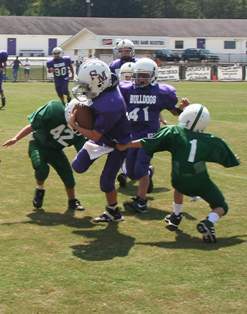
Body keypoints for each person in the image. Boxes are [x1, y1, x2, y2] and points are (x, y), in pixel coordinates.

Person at [116, 104, 240, 243]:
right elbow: (230, 160)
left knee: (179, 188)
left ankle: (176, 215)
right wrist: (234, 159)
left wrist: (127, 145)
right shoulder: (211, 141)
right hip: (201, 181)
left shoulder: (173, 132)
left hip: (178, 179)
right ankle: (209, 222)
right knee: (221, 206)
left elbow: (148, 142)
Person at [119, 57, 188, 213]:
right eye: (138, 75)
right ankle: (148, 173)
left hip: (150, 136)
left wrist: (182, 109)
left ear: (153, 75)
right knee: (131, 172)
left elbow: (175, 113)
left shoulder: (161, 93)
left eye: (145, 75)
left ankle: (141, 201)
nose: (141, 79)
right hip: (131, 134)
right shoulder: (126, 89)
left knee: (140, 168)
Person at [68, 58, 131, 223]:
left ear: (98, 83)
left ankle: (113, 212)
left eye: (86, 85)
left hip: (118, 142)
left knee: (106, 182)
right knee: (77, 166)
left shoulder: (110, 103)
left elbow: (95, 135)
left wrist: (75, 125)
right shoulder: (106, 83)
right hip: (105, 134)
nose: (83, 89)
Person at [2, 99, 85, 212]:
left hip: (55, 151)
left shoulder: (81, 131)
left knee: (68, 176)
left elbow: (83, 153)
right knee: (42, 169)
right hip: (38, 144)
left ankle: (72, 201)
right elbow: (32, 126)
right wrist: (16, 138)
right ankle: (39, 189)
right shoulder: (54, 110)